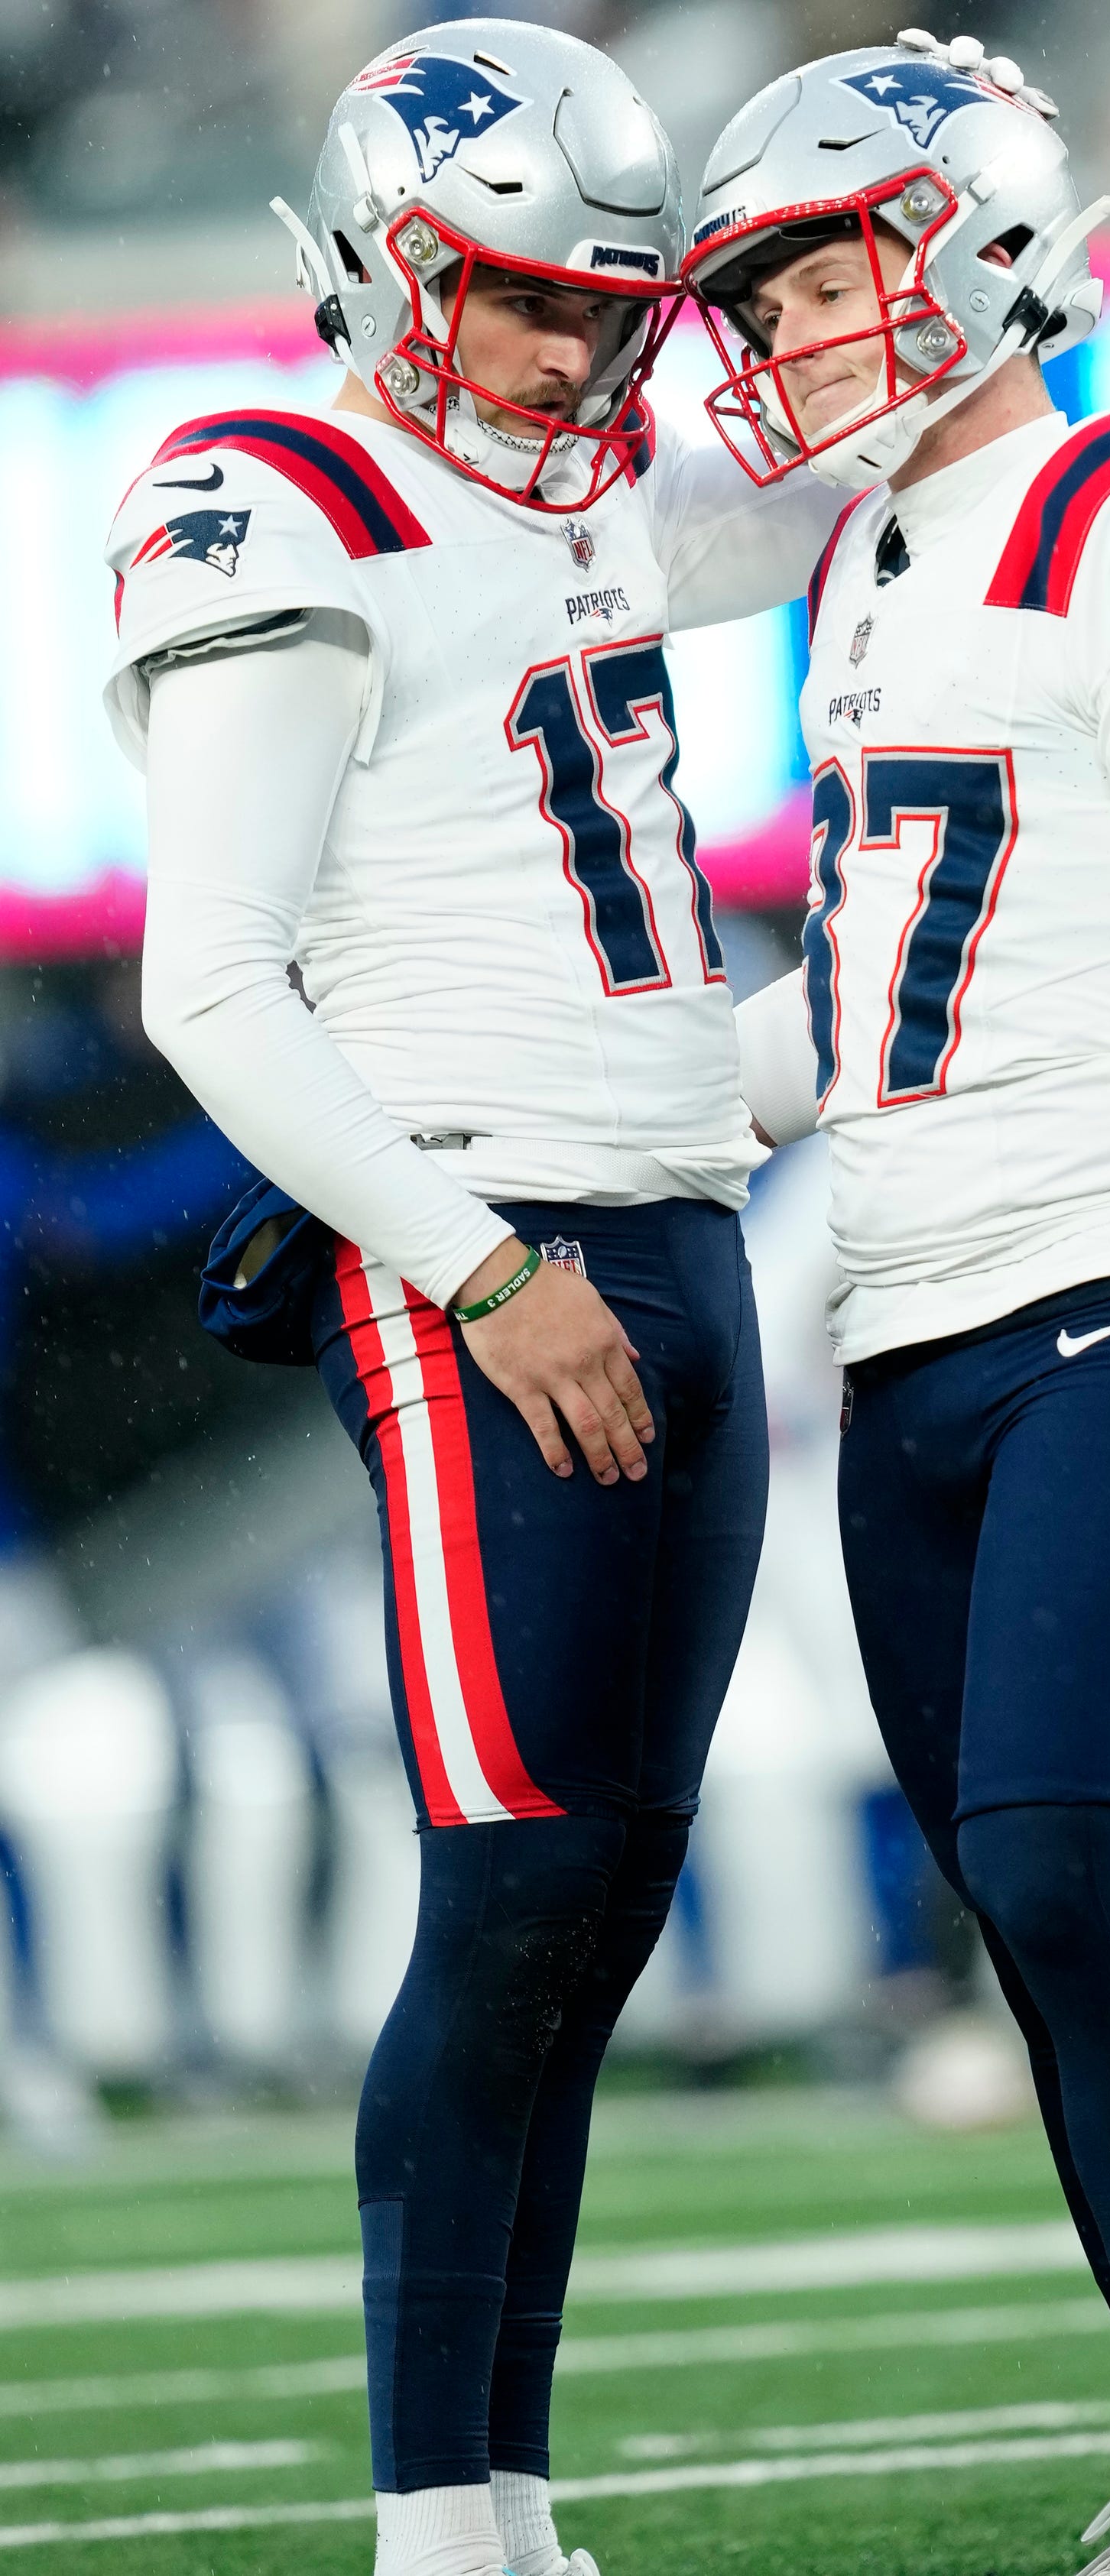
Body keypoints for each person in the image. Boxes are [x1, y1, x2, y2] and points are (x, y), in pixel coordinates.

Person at [102, 22, 838, 2576]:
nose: (573, 359)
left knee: (606, 1890)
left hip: (684, 1207)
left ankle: (516, 2501)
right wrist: (484, 1266)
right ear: (387, 262)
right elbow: (213, 992)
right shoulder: (270, 495)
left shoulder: (602, 486)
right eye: (522, 305)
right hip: (479, 1244)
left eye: (601, 312)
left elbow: (867, 442)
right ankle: (441, 2523)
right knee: (519, 1871)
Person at [685, 29, 1110, 2576]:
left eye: (813, 267)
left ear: (967, 241)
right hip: (907, 1316)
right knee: (1022, 1903)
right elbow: (860, 989)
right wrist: (497, 1138)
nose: (784, 330)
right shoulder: (859, 567)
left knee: (1070, 1865)